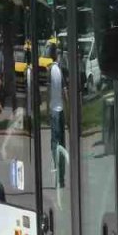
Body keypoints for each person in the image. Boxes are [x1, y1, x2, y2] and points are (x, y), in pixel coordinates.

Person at [48, 44, 65, 185]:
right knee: (61, 141)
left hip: (54, 109)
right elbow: (65, 92)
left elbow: (47, 91)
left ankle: (57, 168)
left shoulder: (50, 70)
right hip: (60, 109)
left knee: (55, 141)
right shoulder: (59, 70)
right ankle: (61, 174)